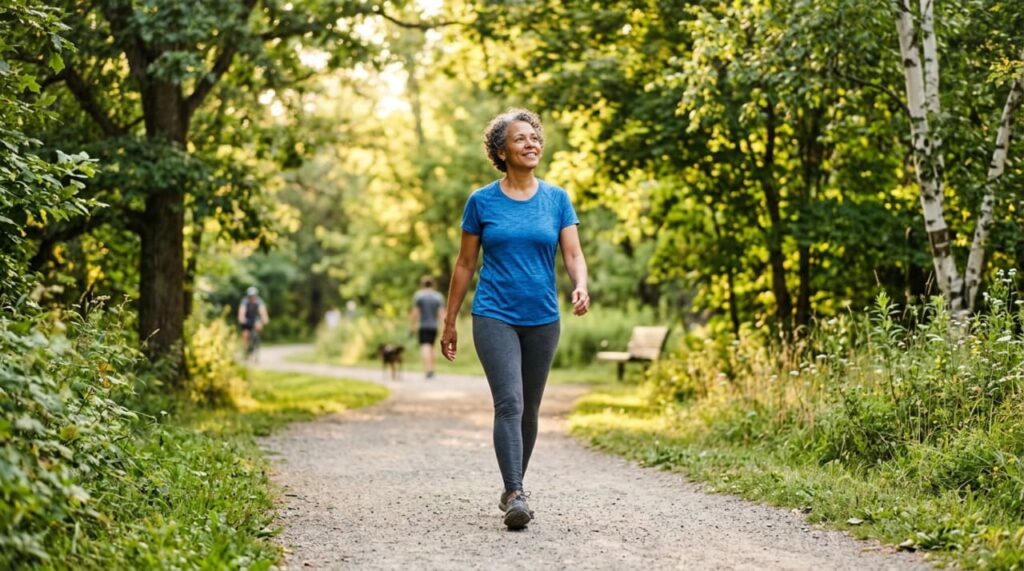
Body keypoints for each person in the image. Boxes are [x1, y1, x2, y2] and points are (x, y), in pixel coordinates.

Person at [440, 108, 589, 530]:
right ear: (501, 151)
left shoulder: (556, 199)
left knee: (530, 410)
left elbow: (573, 253)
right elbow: (465, 264)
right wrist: (450, 321)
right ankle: (515, 493)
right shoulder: (481, 201)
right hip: (494, 313)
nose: (531, 143)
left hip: (543, 316)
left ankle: (514, 486)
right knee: (510, 402)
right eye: (520, 138)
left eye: (534, 137)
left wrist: (580, 284)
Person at [409, 275, 445, 379]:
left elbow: (415, 312)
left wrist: (412, 325)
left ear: (423, 285)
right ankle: (432, 369)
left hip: (423, 326)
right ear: (433, 284)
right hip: (434, 326)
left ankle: (428, 370)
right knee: (432, 347)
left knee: (425, 347)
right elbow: (442, 313)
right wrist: (444, 327)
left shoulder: (419, 296)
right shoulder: (438, 296)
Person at [238, 286, 269, 351]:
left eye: (253, 296)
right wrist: (241, 318)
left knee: (259, 326)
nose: (252, 297)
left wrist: (265, 318)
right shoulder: (245, 301)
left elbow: (262, 311)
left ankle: (256, 339)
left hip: (255, 318)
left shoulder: (259, 301)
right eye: (250, 296)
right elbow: (242, 311)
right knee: (246, 334)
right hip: (247, 318)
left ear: (256, 296)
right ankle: (246, 347)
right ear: (248, 296)